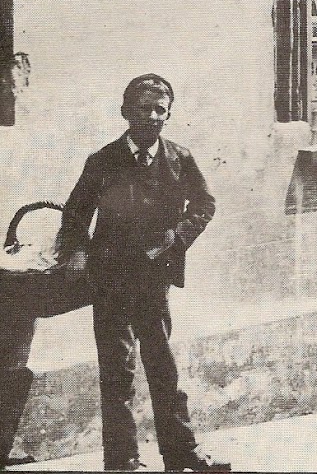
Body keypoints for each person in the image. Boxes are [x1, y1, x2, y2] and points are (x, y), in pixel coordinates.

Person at [58, 75, 230, 473]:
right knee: (118, 373)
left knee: (163, 368)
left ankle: (181, 454)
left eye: (160, 110)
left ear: (169, 115)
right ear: (125, 113)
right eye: (142, 109)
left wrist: (177, 241)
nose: (151, 117)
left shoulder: (179, 158)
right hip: (111, 280)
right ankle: (123, 462)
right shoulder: (102, 161)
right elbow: (75, 215)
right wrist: (80, 253)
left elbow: (204, 203)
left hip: (154, 281)